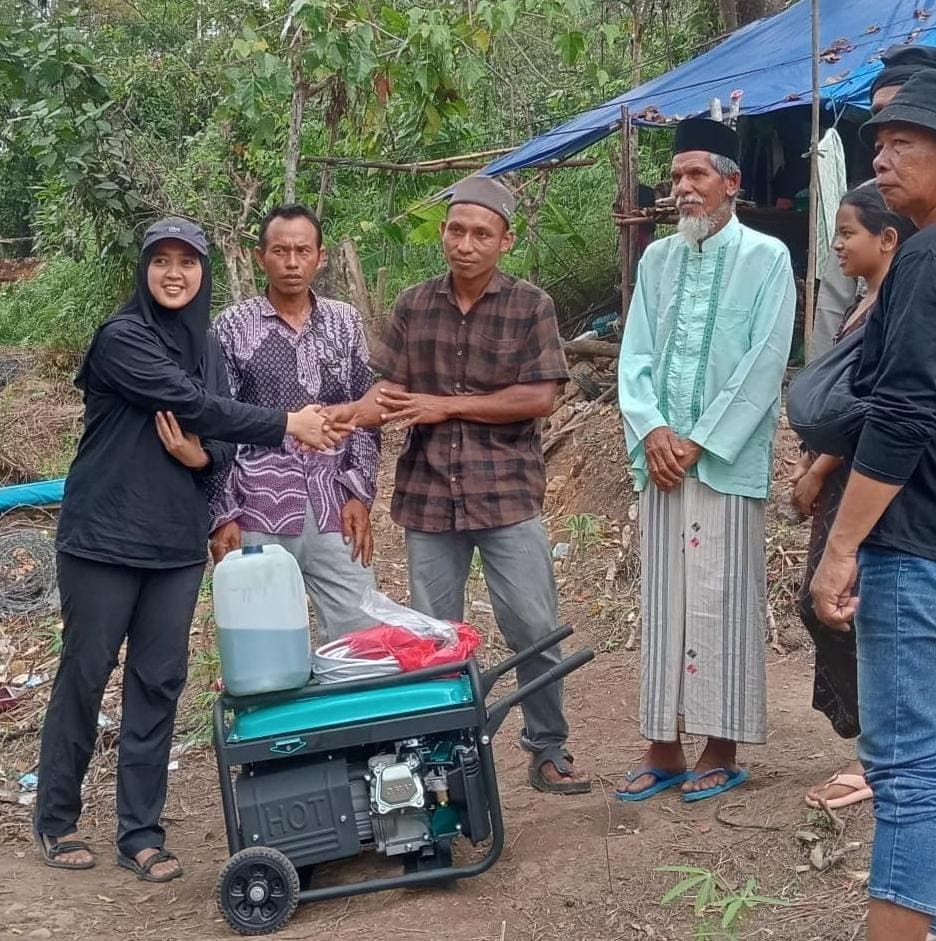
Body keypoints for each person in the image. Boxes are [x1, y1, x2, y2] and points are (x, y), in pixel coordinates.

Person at [33, 218, 340, 882]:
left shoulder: (207, 346)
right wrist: (287, 422)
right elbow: (186, 400)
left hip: (174, 542)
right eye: (161, 261)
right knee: (86, 675)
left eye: (187, 262)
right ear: (144, 270)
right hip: (103, 539)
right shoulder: (123, 338)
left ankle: (140, 831)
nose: (174, 273)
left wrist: (203, 453)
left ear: (203, 272)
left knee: (160, 680)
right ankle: (56, 817)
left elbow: (216, 428)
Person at [811, 71, 936, 941]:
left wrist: (839, 546)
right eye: (877, 146)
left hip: (924, 546)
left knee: (910, 771)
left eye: (904, 144)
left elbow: (902, 416)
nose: (882, 159)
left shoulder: (932, 256)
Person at [324, 175, 590, 794]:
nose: (465, 244)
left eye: (480, 234)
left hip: (506, 494)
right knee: (433, 637)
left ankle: (548, 745)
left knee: (533, 625)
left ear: (505, 241)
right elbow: (387, 394)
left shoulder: (531, 306)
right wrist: (336, 417)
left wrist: (446, 405)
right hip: (428, 497)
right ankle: (439, 760)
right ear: (443, 233)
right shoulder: (415, 305)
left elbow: (540, 398)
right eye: (456, 230)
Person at [615, 118, 796, 801]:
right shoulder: (656, 261)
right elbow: (635, 355)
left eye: (697, 174)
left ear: (731, 182)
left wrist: (700, 439)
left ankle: (721, 744)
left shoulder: (767, 257)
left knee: (722, 596)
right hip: (661, 460)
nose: (683, 188)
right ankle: (662, 745)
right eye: (677, 176)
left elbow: (763, 362)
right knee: (663, 597)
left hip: (723, 460)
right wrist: (654, 428)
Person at [789, 185, 916, 810]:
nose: (837, 245)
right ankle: (877, 745)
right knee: (834, 605)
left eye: (848, 233)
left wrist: (818, 468)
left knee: (837, 605)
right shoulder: (864, 303)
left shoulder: (895, 303)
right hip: (843, 478)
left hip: (866, 480)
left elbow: (877, 409)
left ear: (887, 238)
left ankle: (882, 752)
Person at [208, 204, 380, 643]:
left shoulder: (344, 321)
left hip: (334, 502)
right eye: (280, 250)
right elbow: (218, 423)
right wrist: (222, 513)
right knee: (264, 640)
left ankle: (355, 711)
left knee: (359, 631)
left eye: (303, 251)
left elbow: (365, 411)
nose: (291, 262)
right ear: (259, 256)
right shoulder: (231, 327)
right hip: (258, 504)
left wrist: (361, 493)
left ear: (320, 257)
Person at [809, 44, 936, 361]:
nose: (888, 125)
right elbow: (834, 303)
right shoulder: (864, 199)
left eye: (908, 117)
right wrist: (818, 387)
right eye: (879, 115)